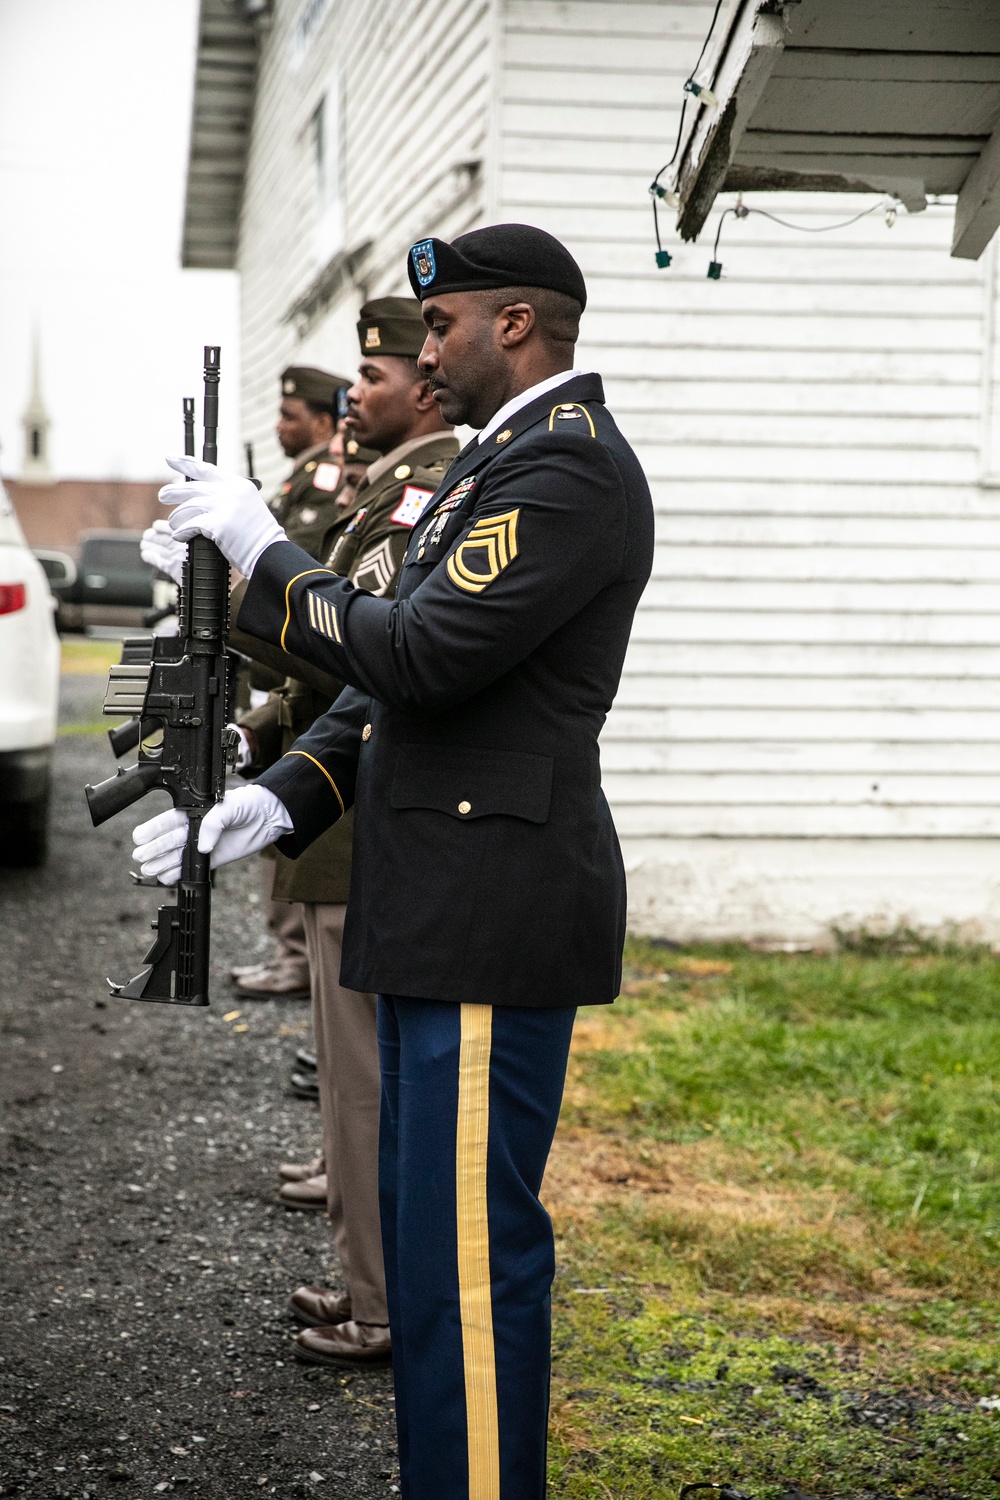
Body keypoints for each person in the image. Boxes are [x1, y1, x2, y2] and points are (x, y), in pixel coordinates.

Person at [134, 224, 654, 1500]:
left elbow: (417, 655)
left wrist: (266, 546)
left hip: (491, 910)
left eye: (442, 326)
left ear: (516, 325)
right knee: (427, 1252)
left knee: (469, 1259)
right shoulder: (494, 467)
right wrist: (279, 797)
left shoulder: (565, 472)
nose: (426, 351)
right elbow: (390, 697)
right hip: (440, 908)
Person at [229, 301, 459, 1363]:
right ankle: (365, 1280)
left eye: (374, 375)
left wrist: (249, 573)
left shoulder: (430, 485)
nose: (351, 396)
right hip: (338, 794)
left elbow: (347, 647)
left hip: (362, 812)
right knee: (349, 1073)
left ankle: (378, 1301)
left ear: (424, 383)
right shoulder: (385, 485)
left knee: (363, 1083)